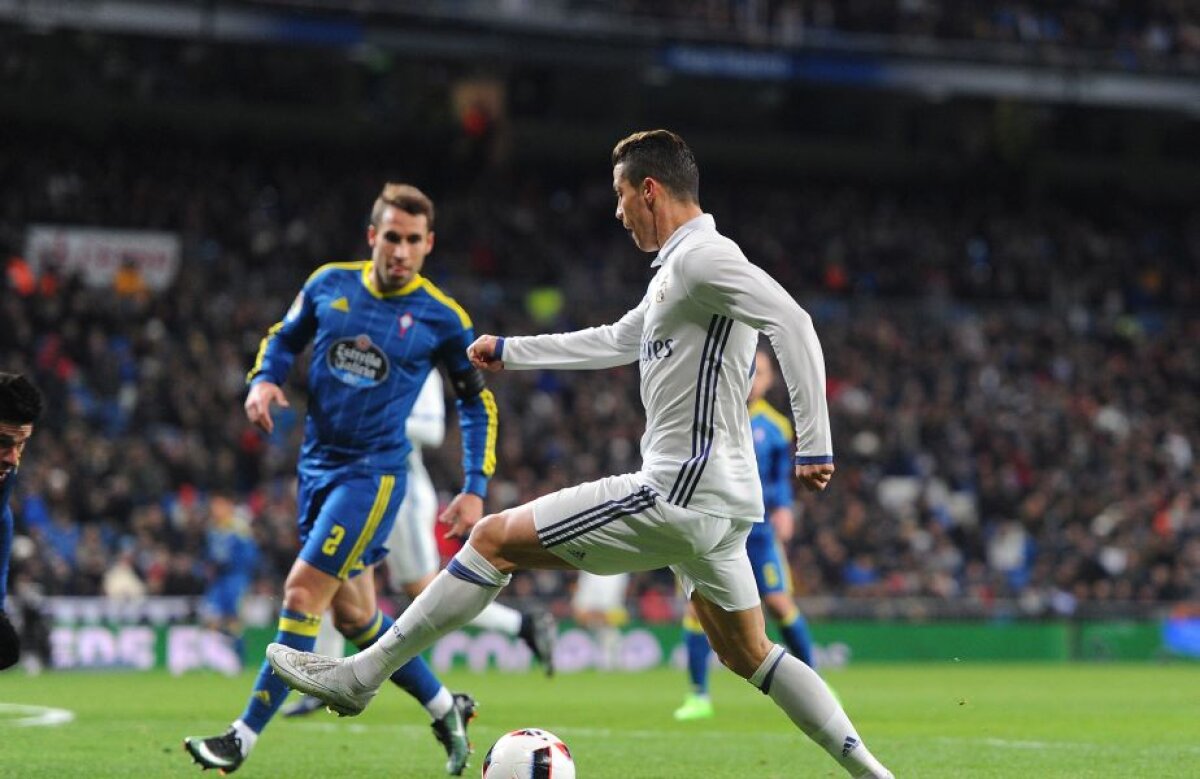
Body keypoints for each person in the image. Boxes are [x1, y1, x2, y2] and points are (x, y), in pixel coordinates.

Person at [266, 131, 893, 778]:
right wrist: (511, 349)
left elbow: (793, 323)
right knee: (751, 654)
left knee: (491, 539)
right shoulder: (675, 273)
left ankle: (361, 675)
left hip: (678, 492)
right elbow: (617, 339)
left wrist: (815, 441)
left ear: (649, 190)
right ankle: (875, 773)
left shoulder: (704, 259)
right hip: (723, 506)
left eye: (621, 196)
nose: (617, 212)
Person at [185, 183, 498, 776]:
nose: (400, 250)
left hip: (373, 477)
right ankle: (444, 707)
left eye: (412, 241)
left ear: (428, 245)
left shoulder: (441, 318)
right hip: (316, 467)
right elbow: (284, 338)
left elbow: (476, 405)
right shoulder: (329, 283)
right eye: (391, 237)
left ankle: (240, 739)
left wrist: (475, 484)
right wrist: (263, 379)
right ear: (372, 235)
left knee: (302, 593)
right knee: (356, 618)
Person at [282, 372, 556, 717]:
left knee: (427, 592)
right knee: (328, 571)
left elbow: (432, 430)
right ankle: (324, 677)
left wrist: (371, 417)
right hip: (356, 484)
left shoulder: (417, 362)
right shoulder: (362, 355)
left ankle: (523, 626)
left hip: (402, 496)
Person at [674, 348, 817, 721]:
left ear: (769, 381)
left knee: (780, 603)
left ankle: (814, 684)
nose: (753, 377)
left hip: (760, 532)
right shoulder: (712, 416)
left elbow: (780, 478)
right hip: (714, 528)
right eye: (748, 370)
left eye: (761, 372)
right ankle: (698, 695)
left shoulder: (776, 426)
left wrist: (785, 508)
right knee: (697, 608)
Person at [0, 372, 43, 672]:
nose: (12, 458)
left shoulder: (5, 472)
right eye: (3, 442)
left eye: (21, 444)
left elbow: (1, 519)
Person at [199, 494, 260, 657]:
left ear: (228, 506)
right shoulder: (212, 528)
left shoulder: (239, 528)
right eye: (213, 507)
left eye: (219, 506)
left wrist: (236, 566)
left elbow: (250, 555)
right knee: (211, 617)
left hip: (236, 577)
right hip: (218, 579)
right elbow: (209, 554)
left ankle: (239, 657)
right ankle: (214, 658)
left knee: (234, 620)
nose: (215, 510)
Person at [571, 571, 630, 670]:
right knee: (608, 637)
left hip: (607, 612)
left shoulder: (618, 575)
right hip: (594, 612)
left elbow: (615, 600)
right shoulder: (589, 574)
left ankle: (610, 663)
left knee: (610, 637)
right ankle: (608, 664)